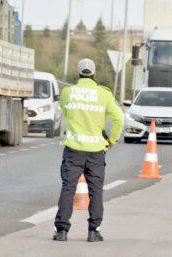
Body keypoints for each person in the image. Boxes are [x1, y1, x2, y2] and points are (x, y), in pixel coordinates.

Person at [53, 58, 124, 242]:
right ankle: (94, 231)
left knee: (68, 188)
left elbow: (66, 114)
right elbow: (119, 119)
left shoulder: (68, 92)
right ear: (94, 74)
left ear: (78, 73)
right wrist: (113, 140)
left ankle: (61, 231)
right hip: (95, 151)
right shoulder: (104, 94)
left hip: (73, 149)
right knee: (96, 191)